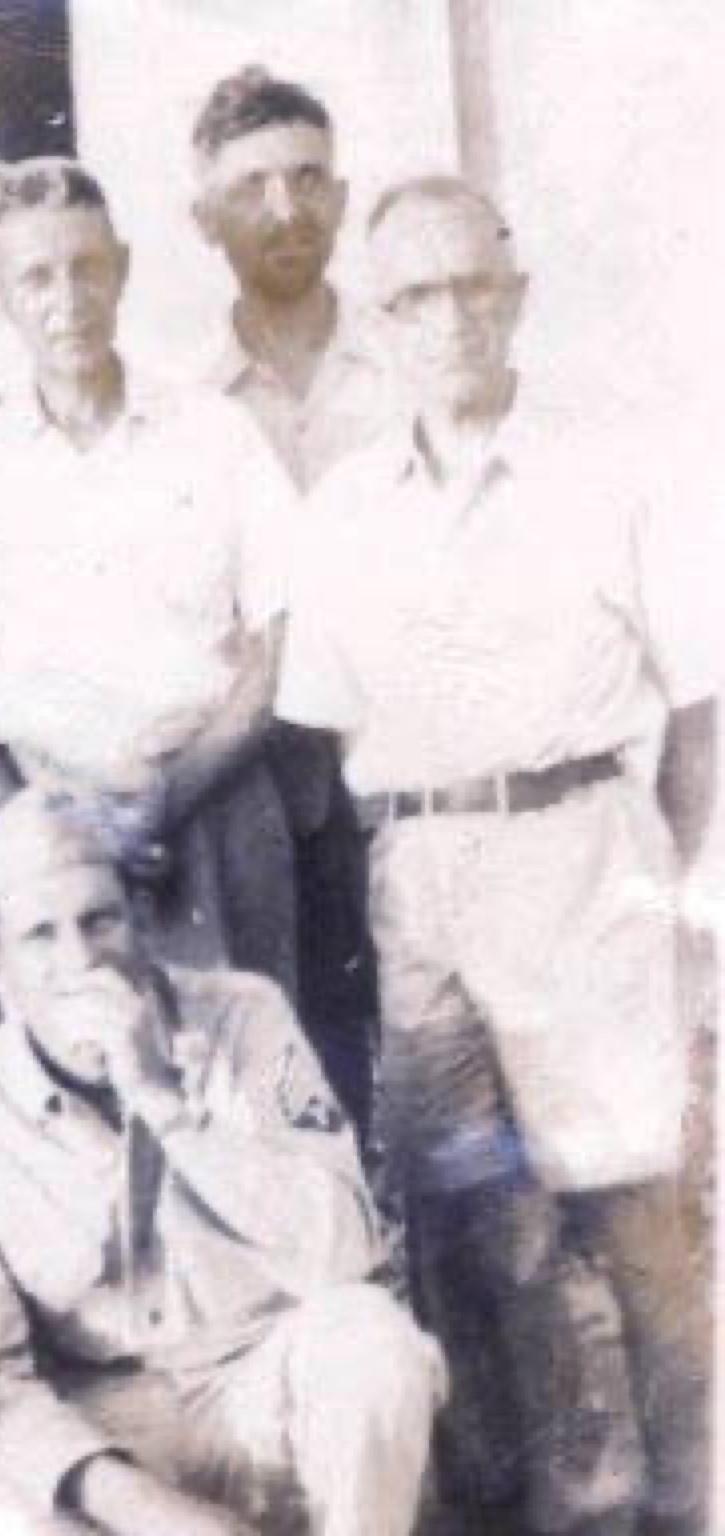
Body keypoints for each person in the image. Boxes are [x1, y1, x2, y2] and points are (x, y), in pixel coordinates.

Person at [278, 176, 716, 1536]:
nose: (452, 317)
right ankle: (529, 1507)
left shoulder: (612, 474)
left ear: (516, 299)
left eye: (476, 286)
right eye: (417, 295)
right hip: (422, 883)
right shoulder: (345, 508)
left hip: (583, 860)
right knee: (472, 1224)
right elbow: (320, 737)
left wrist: (675, 896)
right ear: (379, 322)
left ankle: (688, 1500)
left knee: (637, 1217)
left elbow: (702, 711)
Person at [0, 788, 445, 1536]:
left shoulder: (243, 1015)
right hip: (111, 1423)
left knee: (370, 1340)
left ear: (142, 921)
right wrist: (143, 1508)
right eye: (40, 936)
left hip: (266, 1378)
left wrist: (163, 1101)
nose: (80, 959)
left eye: (100, 920)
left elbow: (345, 1250)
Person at [0, 158, 301, 991]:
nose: (68, 298)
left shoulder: (217, 434)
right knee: (86, 1055)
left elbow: (275, 659)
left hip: (215, 809)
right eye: (36, 277)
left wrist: (169, 795)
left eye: (86, 267)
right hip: (52, 846)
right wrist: (56, 839)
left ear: (123, 269)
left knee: (244, 1055)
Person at [190, 65, 392, 1136]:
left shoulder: (407, 367)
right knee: (303, 1076)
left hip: (411, 767)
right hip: (270, 800)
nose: (287, 208)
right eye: (253, 186)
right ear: (205, 219)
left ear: (342, 197)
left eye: (309, 178)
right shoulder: (182, 407)